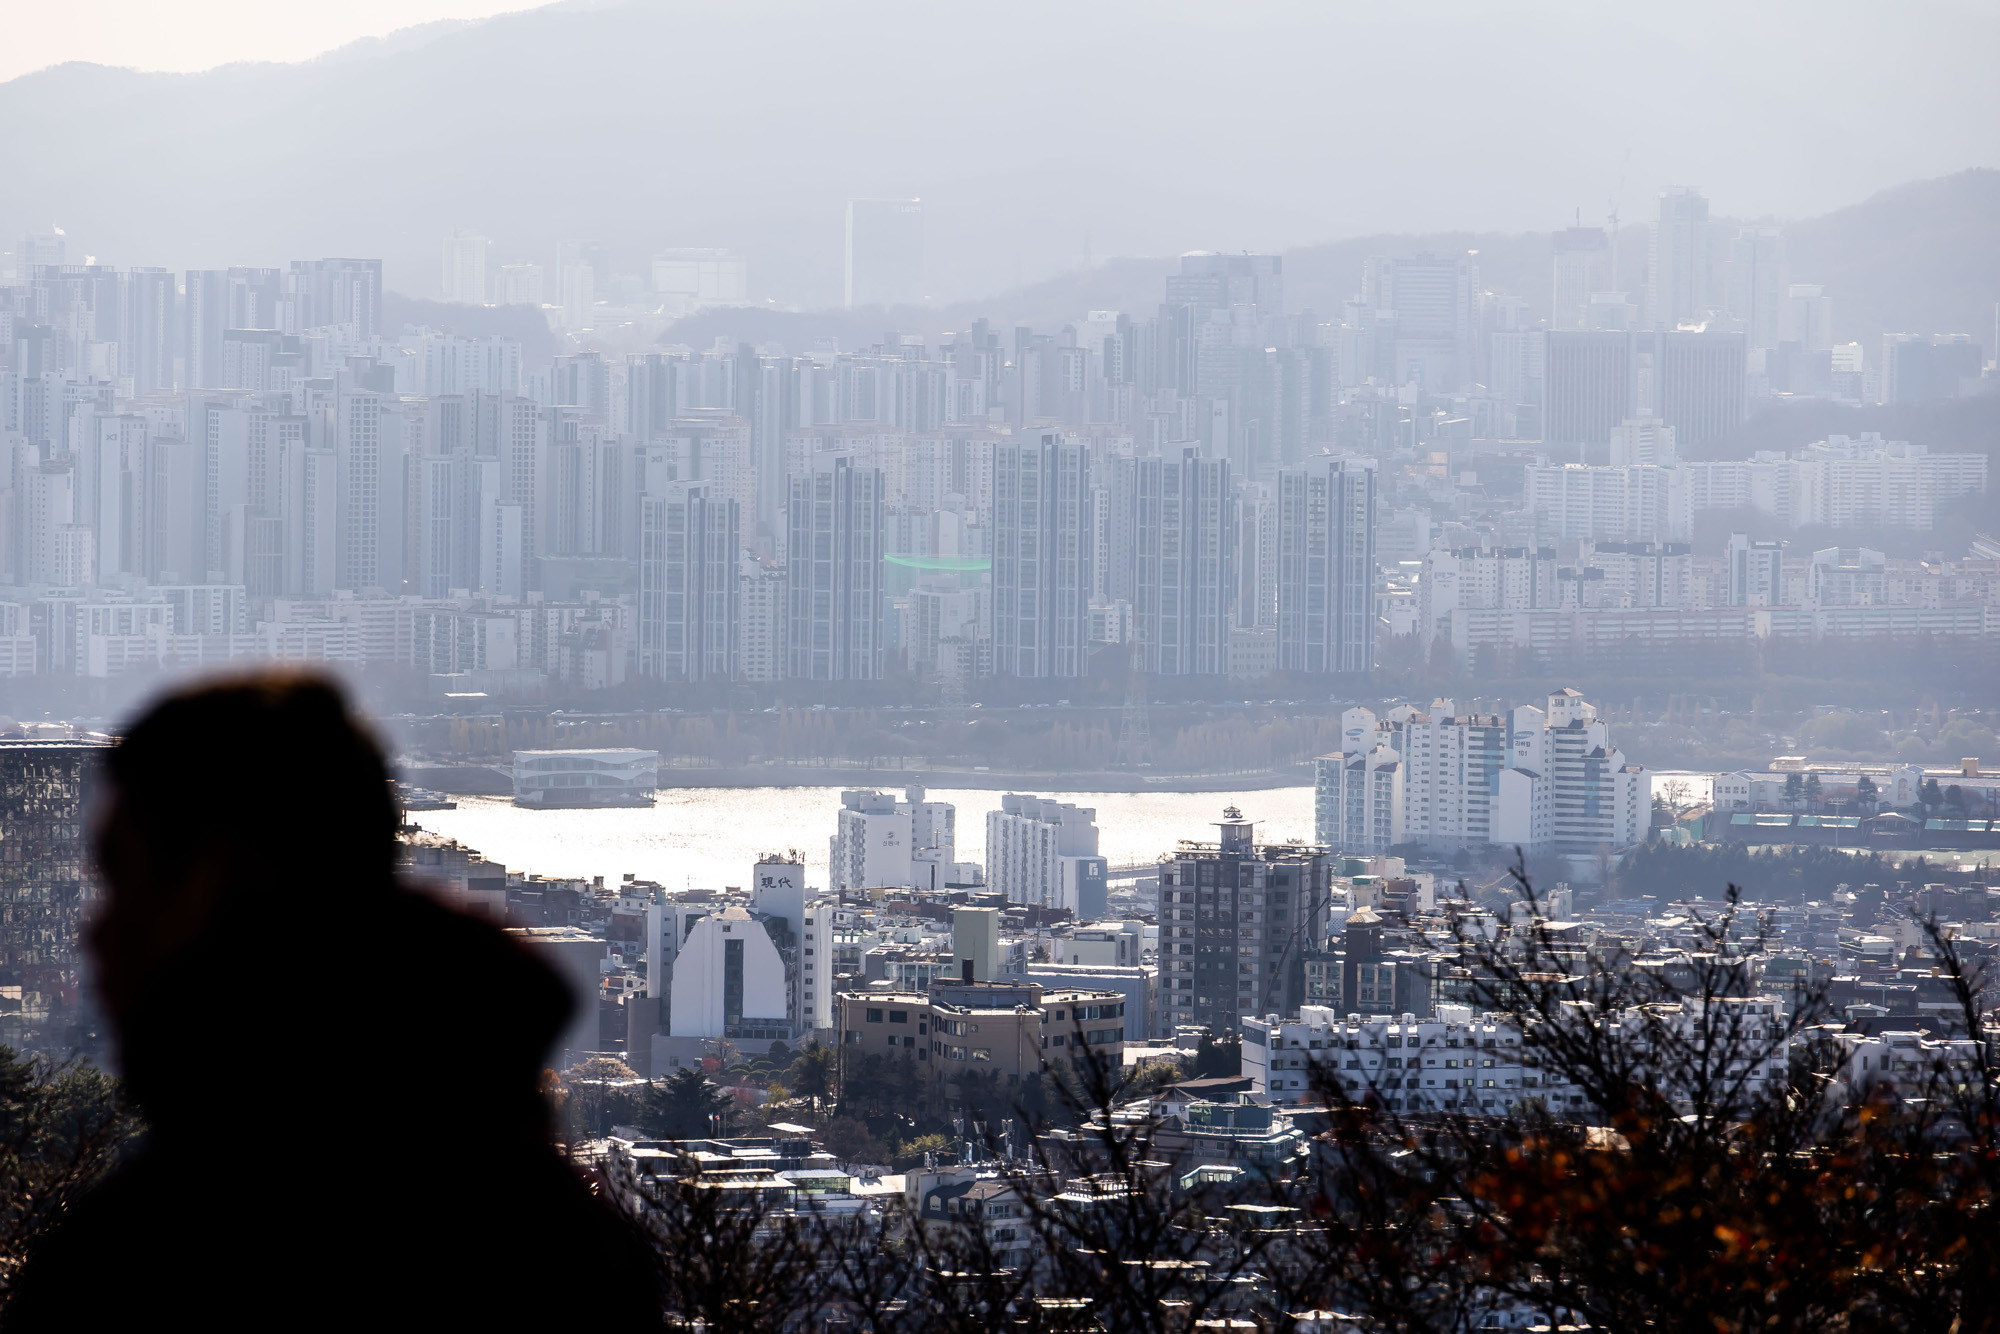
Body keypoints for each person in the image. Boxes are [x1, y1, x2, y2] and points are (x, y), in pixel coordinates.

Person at [5, 673, 659, 1326]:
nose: (93, 930)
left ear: (223, 887)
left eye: (128, 882)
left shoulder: (147, 1256)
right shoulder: (558, 1238)